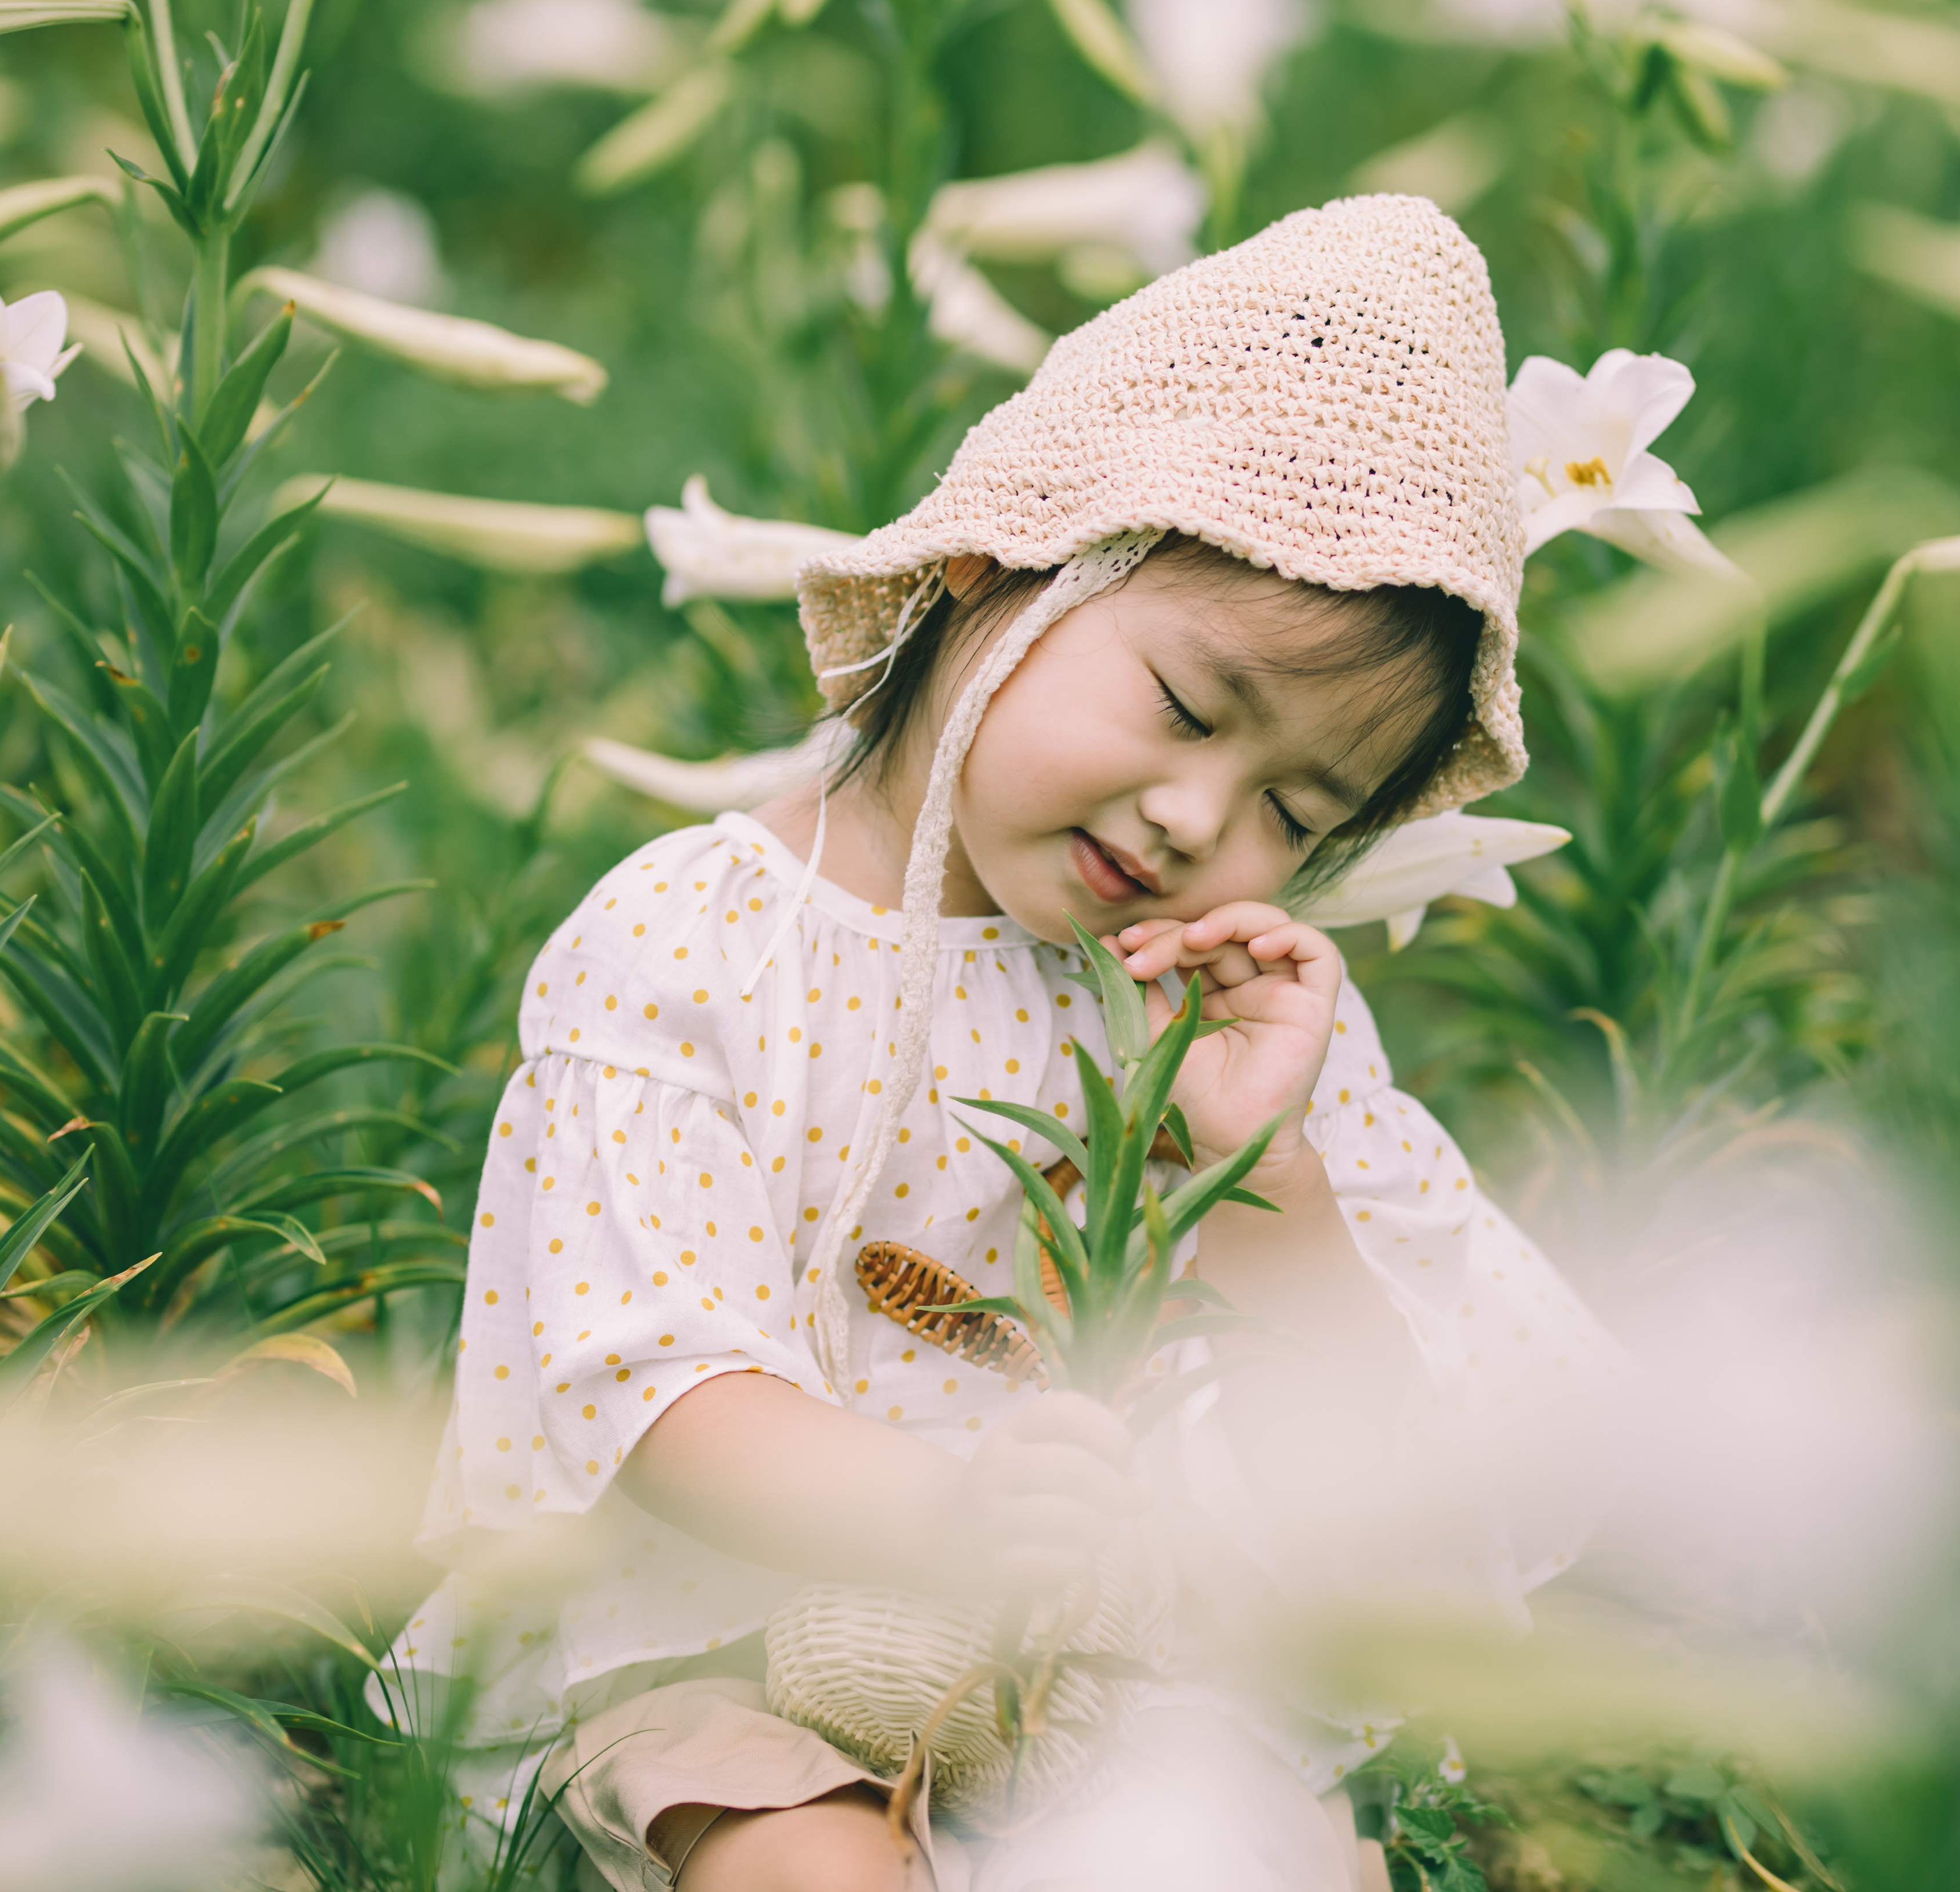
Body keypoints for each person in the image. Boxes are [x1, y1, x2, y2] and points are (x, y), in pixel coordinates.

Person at [380, 194, 1615, 1891]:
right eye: (1187, 708)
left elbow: (1359, 1450)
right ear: (993, 565)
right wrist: (953, 1521)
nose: (1198, 819)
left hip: (1115, 1676)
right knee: (810, 1869)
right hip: (735, 1645)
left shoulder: (1214, 1016)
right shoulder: (696, 943)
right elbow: (653, 1388)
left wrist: (1267, 1173)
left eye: (1296, 811)